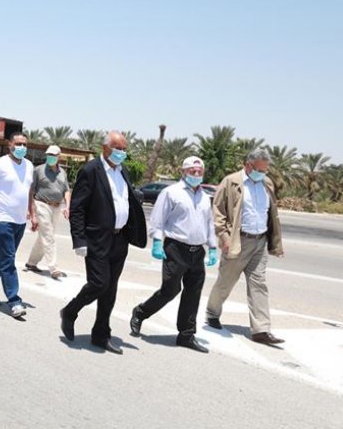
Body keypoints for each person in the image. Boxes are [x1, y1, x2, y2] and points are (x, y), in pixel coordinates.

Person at [60, 131, 146, 354]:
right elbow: (78, 208)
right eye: (119, 149)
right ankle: (70, 311)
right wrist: (79, 239)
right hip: (97, 239)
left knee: (110, 290)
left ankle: (101, 334)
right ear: (106, 148)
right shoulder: (91, 170)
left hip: (120, 239)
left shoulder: (122, 170)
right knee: (99, 283)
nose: (122, 153)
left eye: (125, 149)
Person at [129, 156, 217, 353]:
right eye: (192, 171)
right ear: (183, 172)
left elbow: (209, 223)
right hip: (176, 248)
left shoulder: (204, 197)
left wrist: (212, 247)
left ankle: (186, 335)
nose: (196, 174)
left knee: (193, 294)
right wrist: (158, 243)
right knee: (170, 290)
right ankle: (140, 312)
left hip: (197, 251)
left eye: (199, 171)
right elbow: (158, 219)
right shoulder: (171, 192)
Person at [205, 149, 285, 346]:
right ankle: (212, 312)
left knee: (259, 284)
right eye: (259, 169)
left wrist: (273, 241)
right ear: (247, 165)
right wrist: (223, 237)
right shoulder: (231, 182)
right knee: (226, 282)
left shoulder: (267, 184)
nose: (263, 173)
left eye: (266, 170)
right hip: (237, 241)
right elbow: (218, 212)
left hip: (260, 242)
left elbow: (271, 213)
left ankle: (261, 330)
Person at [0, 133, 38, 319]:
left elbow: (29, 192)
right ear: (9, 144)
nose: (21, 147)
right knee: (9, 259)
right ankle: (14, 300)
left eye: (24, 144)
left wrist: (33, 214)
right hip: (3, 219)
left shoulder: (29, 166)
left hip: (20, 220)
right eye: (18, 143)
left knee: (4, 257)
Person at [25, 145, 71, 280]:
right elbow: (31, 191)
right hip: (41, 205)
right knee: (48, 236)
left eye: (53, 155)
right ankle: (54, 268)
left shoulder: (62, 172)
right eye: (49, 155)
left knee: (43, 237)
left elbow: (66, 190)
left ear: (59, 157)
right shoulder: (38, 170)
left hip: (57, 207)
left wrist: (67, 206)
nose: (50, 157)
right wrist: (31, 211)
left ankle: (31, 262)